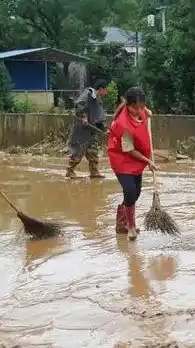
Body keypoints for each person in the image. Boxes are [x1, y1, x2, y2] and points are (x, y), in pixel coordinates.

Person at [107, 86, 156, 241]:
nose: (139, 110)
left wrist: (147, 112)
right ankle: (131, 228)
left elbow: (144, 110)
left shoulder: (139, 109)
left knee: (136, 193)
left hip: (137, 158)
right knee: (129, 191)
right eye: (136, 108)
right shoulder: (123, 124)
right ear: (128, 106)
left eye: (142, 106)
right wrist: (148, 160)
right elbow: (128, 150)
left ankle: (121, 223)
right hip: (122, 157)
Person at [67, 80, 109, 179]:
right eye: (106, 90)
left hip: (91, 130)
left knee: (93, 151)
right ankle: (70, 171)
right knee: (78, 150)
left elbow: (99, 116)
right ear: (101, 89)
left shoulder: (98, 99)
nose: (106, 93)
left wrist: (104, 129)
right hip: (82, 129)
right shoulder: (88, 94)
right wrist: (83, 116)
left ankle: (94, 172)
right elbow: (79, 105)